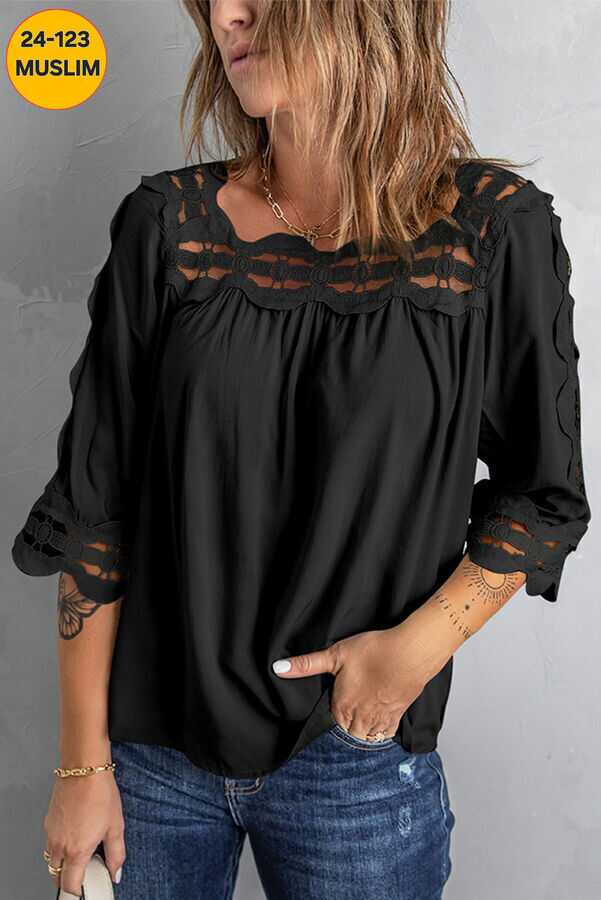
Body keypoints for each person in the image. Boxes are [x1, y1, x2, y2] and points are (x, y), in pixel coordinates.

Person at [11, 1, 591, 898]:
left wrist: (413, 652)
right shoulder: (168, 225)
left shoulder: (488, 230)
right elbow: (97, 508)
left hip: (357, 761)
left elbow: (542, 494)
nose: (227, 14)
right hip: (150, 762)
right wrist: (81, 764)